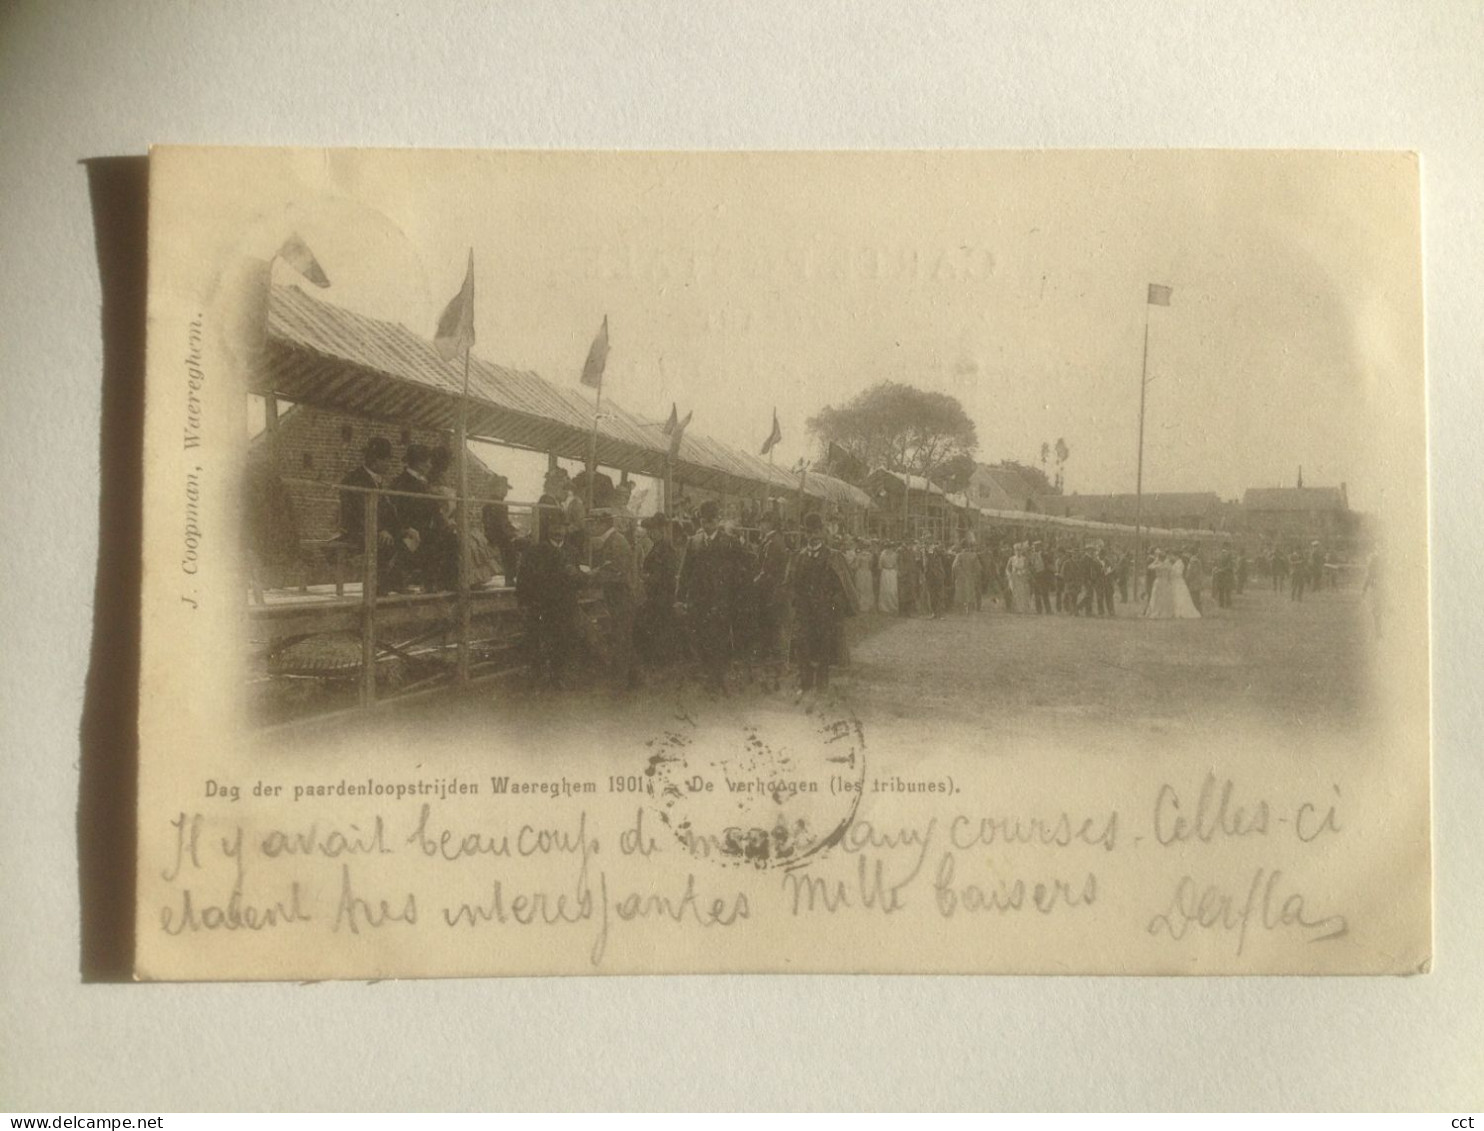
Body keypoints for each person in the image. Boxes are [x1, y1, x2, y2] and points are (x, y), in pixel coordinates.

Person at [677, 499, 745, 692]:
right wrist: (680, 598)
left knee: (719, 639)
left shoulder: (730, 543)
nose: (707, 525)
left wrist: (736, 600)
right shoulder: (694, 542)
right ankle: (709, 674)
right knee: (701, 638)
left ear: (718, 520)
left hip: (721, 602)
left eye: (711, 521)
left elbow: (740, 574)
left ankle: (718, 678)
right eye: (704, 521)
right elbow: (685, 572)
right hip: (698, 601)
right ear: (700, 521)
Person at [789, 512, 857, 699]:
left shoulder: (833, 557)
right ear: (805, 534)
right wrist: (796, 600)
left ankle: (822, 682)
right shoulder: (799, 556)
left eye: (817, 531)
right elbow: (793, 583)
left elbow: (843, 586)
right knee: (803, 644)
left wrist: (834, 607)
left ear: (823, 532)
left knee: (824, 647)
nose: (813, 536)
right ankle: (805, 682)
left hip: (825, 610)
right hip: (805, 610)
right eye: (809, 532)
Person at [515, 511, 584, 689]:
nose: (558, 531)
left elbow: (577, 579)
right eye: (554, 527)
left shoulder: (572, 551)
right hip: (543, 605)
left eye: (562, 527)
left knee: (563, 639)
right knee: (538, 639)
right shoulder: (536, 551)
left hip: (565, 604)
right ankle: (537, 676)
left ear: (566, 530)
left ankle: (558, 676)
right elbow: (523, 578)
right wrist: (522, 602)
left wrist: (577, 578)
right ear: (548, 529)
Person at [336, 436, 402, 591]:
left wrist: (403, 529)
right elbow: (357, 513)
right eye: (386, 460)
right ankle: (377, 589)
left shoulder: (376, 480)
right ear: (375, 460)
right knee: (385, 543)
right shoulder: (354, 479)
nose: (388, 465)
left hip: (372, 528)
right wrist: (380, 530)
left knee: (405, 539)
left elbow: (387, 511)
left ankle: (393, 584)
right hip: (355, 529)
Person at [589, 508, 640, 692]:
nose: (591, 527)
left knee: (622, 638)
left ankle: (622, 683)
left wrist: (594, 575)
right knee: (623, 637)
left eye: (593, 523)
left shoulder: (616, 541)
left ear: (602, 523)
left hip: (623, 596)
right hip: (619, 596)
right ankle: (634, 678)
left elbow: (617, 572)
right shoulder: (613, 540)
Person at [751, 514, 791, 689]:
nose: (760, 526)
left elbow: (767, 570)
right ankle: (776, 663)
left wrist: (752, 584)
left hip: (771, 592)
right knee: (772, 627)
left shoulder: (773, 542)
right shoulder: (774, 540)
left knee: (773, 627)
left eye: (761, 523)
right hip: (773, 591)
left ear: (768, 523)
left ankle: (779, 665)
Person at [1143, 550, 1176, 619]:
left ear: (1159, 558)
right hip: (1165, 581)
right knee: (1164, 597)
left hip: (1158, 581)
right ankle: (1166, 611)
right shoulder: (1168, 565)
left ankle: (1156, 611)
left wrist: (1155, 561)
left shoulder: (1158, 565)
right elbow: (1171, 574)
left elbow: (1149, 567)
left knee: (1156, 597)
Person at [1170, 551, 1202, 618]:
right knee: (1177, 597)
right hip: (1176, 582)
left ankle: (1182, 611)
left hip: (1179, 581)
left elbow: (1179, 573)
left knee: (1181, 597)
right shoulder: (1176, 563)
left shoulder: (1180, 563)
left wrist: (1172, 573)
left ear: (1176, 556)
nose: (1171, 557)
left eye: (1172, 556)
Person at [849, 538, 877, 614]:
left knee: (861, 588)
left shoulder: (860, 555)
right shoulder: (870, 555)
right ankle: (867, 606)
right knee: (867, 589)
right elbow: (871, 565)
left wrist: (852, 566)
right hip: (867, 572)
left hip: (861, 572)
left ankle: (862, 606)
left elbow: (856, 565)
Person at [952, 541, 982, 612]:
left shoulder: (959, 555)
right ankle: (970, 610)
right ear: (969, 547)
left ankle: (961, 610)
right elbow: (978, 568)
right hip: (970, 577)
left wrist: (959, 574)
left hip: (961, 578)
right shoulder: (974, 555)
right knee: (970, 593)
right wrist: (974, 574)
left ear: (962, 547)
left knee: (961, 593)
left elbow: (954, 566)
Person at [1008, 542, 1032, 613]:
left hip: (1022, 577)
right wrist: (1009, 574)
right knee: (1015, 593)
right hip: (1014, 577)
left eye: (1019, 550)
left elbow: (1027, 568)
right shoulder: (1011, 559)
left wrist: (1023, 572)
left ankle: (1022, 609)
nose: (1018, 552)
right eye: (1016, 550)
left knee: (1022, 593)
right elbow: (1007, 568)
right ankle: (1015, 608)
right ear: (1014, 551)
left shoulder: (1024, 559)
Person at [1030, 541, 1053, 614]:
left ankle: (1048, 610)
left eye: (1037, 547)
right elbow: (1030, 566)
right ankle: (1039, 610)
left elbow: (1049, 564)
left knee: (1045, 593)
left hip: (1043, 576)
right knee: (1037, 593)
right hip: (1036, 576)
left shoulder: (1044, 554)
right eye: (1034, 547)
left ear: (1040, 547)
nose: (1035, 548)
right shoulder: (1031, 556)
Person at [877, 542, 900, 614]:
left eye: (890, 547)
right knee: (885, 590)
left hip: (892, 572)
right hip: (885, 573)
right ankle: (884, 607)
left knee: (893, 590)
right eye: (888, 547)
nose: (889, 549)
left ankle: (893, 607)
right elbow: (880, 566)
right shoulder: (883, 554)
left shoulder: (895, 554)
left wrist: (896, 571)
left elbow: (896, 564)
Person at [1184, 550, 1206, 614]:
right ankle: (1198, 610)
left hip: (1193, 581)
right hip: (1197, 581)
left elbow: (1191, 572)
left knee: (1194, 596)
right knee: (1196, 596)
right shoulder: (1197, 561)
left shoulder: (1193, 561)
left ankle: (1197, 611)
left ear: (1190, 553)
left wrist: (1187, 578)